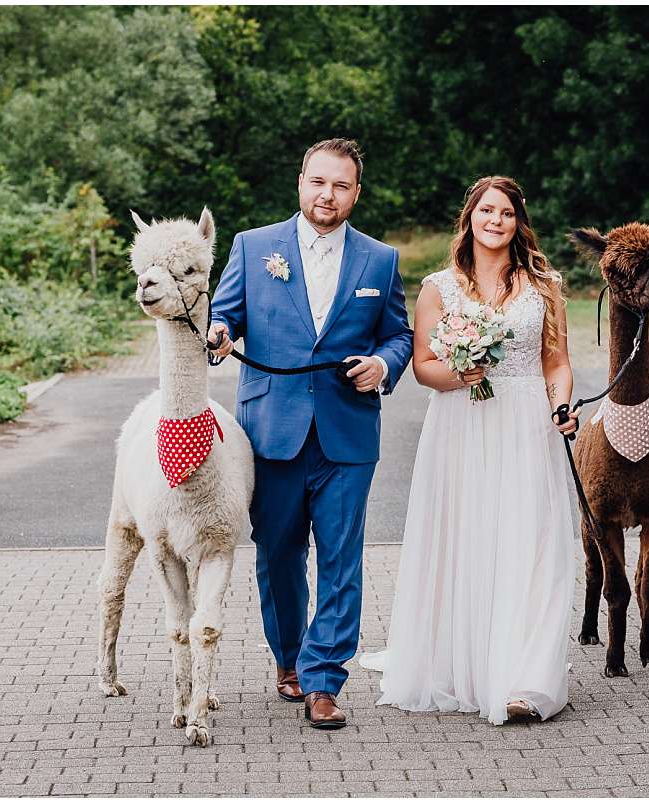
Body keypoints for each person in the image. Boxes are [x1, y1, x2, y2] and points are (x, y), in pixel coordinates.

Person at [208, 138, 414, 729]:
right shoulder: (253, 248)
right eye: (319, 182)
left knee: (342, 561)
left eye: (341, 185)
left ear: (356, 192)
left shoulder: (380, 260)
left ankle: (325, 678)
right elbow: (224, 317)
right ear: (301, 182)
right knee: (277, 556)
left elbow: (397, 336)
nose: (328, 195)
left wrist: (385, 364)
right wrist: (220, 334)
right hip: (271, 432)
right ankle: (289, 656)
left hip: (347, 434)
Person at [359, 175, 578, 725]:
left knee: (532, 544)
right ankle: (462, 666)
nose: (496, 220)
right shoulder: (440, 286)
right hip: (462, 426)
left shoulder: (545, 284)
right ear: (470, 218)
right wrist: (461, 372)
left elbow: (557, 362)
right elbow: (424, 366)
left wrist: (561, 405)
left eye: (506, 212)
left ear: (518, 221)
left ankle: (529, 678)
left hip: (528, 426)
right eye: (487, 211)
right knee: (467, 540)